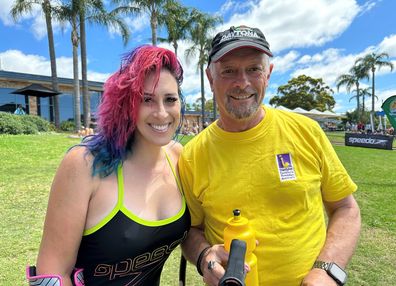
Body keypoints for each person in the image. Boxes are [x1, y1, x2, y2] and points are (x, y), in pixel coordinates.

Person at [179, 25, 361, 286]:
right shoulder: (192, 155)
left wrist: (327, 270)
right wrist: (204, 256)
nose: (242, 83)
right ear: (210, 78)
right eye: (228, 71)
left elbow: (346, 208)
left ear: (268, 74)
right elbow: (191, 230)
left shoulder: (306, 131)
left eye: (253, 69)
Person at [27, 45, 190, 286]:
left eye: (170, 99)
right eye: (147, 99)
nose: (161, 113)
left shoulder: (177, 156)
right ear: (127, 104)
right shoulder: (84, 165)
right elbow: (52, 275)